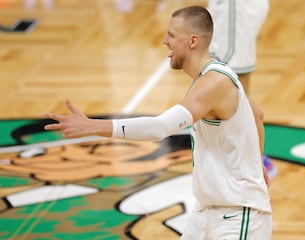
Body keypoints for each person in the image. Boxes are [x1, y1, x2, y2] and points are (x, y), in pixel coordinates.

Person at [44, 6, 272, 239]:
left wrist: (93, 126)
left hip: (238, 213)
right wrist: (255, 164)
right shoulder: (210, 77)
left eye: (172, 35)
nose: (165, 41)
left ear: (193, 41)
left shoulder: (214, 83)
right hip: (207, 211)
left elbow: (160, 127)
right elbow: (257, 115)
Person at [207, 0, 276, 179]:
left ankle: (248, 160)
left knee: (227, 79)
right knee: (232, 81)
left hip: (235, 9)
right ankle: (246, 156)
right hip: (235, 10)